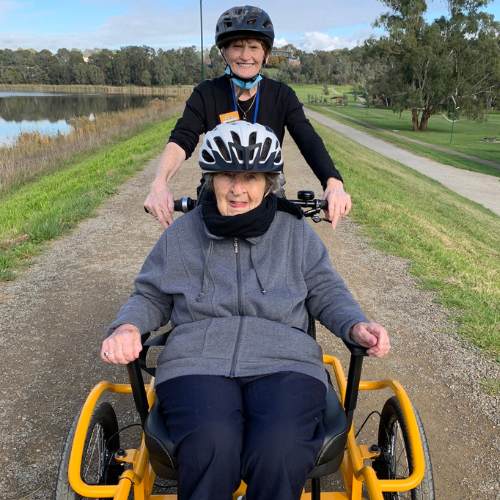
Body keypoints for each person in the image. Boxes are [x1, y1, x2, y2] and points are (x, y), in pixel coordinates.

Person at [103, 122, 390, 500]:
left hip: (284, 360)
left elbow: (325, 289)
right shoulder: (182, 234)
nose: (238, 189)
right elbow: (151, 295)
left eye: (251, 177)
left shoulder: (295, 232)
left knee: (280, 448)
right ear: (210, 179)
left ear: (269, 182)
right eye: (227, 175)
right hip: (198, 360)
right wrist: (126, 327)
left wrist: (355, 324)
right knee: (211, 445)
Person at [144, 5, 352, 230]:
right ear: (224, 51)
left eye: (253, 47)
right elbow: (182, 139)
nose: (245, 56)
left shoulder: (282, 95)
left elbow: (308, 139)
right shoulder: (207, 93)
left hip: (267, 186)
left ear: (266, 54)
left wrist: (333, 183)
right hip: (219, 187)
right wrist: (160, 183)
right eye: (236, 47)